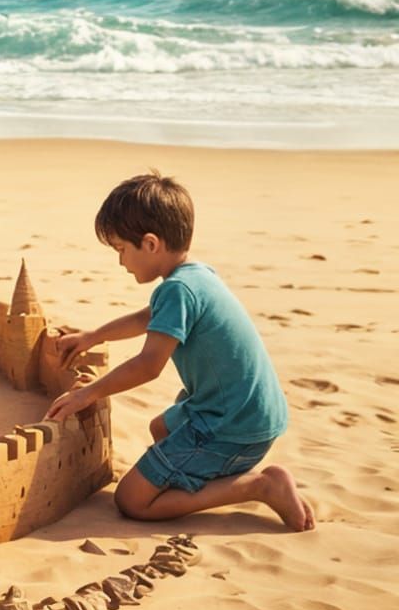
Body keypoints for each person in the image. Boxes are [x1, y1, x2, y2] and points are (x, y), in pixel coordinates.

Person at [45, 171, 313, 531]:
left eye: (121, 250)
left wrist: (89, 393)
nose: (121, 262)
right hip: (248, 411)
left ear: (150, 244)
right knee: (161, 428)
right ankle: (208, 476)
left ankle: (260, 486)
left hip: (232, 425)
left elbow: (148, 365)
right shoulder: (196, 276)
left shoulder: (178, 290)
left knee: (132, 500)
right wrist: (93, 336)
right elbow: (148, 317)